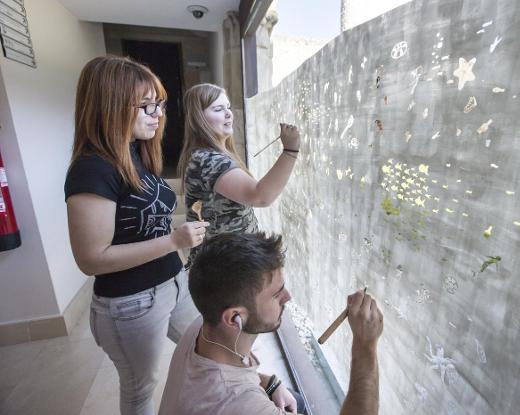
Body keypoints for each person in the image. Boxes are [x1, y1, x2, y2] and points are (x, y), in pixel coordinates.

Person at [64, 55, 208, 415]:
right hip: (131, 303)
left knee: (209, 344)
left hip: (173, 283)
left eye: (158, 105)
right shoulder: (92, 170)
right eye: (145, 106)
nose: (156, 114)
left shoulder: (135, 154)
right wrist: (174, 241)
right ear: (109, 107)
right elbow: (91, 259)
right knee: (141, 390)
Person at [159, 232, 383, 415]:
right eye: (277, 294)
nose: (288, 297)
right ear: (234, 317)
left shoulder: (206, 324)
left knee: (296, 401)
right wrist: (365, 345)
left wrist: (270, 384)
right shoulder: (239, 404)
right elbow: (231, 394)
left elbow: (231, 377)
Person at [177, 83, 300, 268]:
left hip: (226, 263)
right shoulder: (208, 160)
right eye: (218, 109)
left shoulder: (206, 155)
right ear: (198, 118)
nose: (228, 114)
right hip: (223, 270)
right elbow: (260, 197)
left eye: (227, 107)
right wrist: (291, 150)